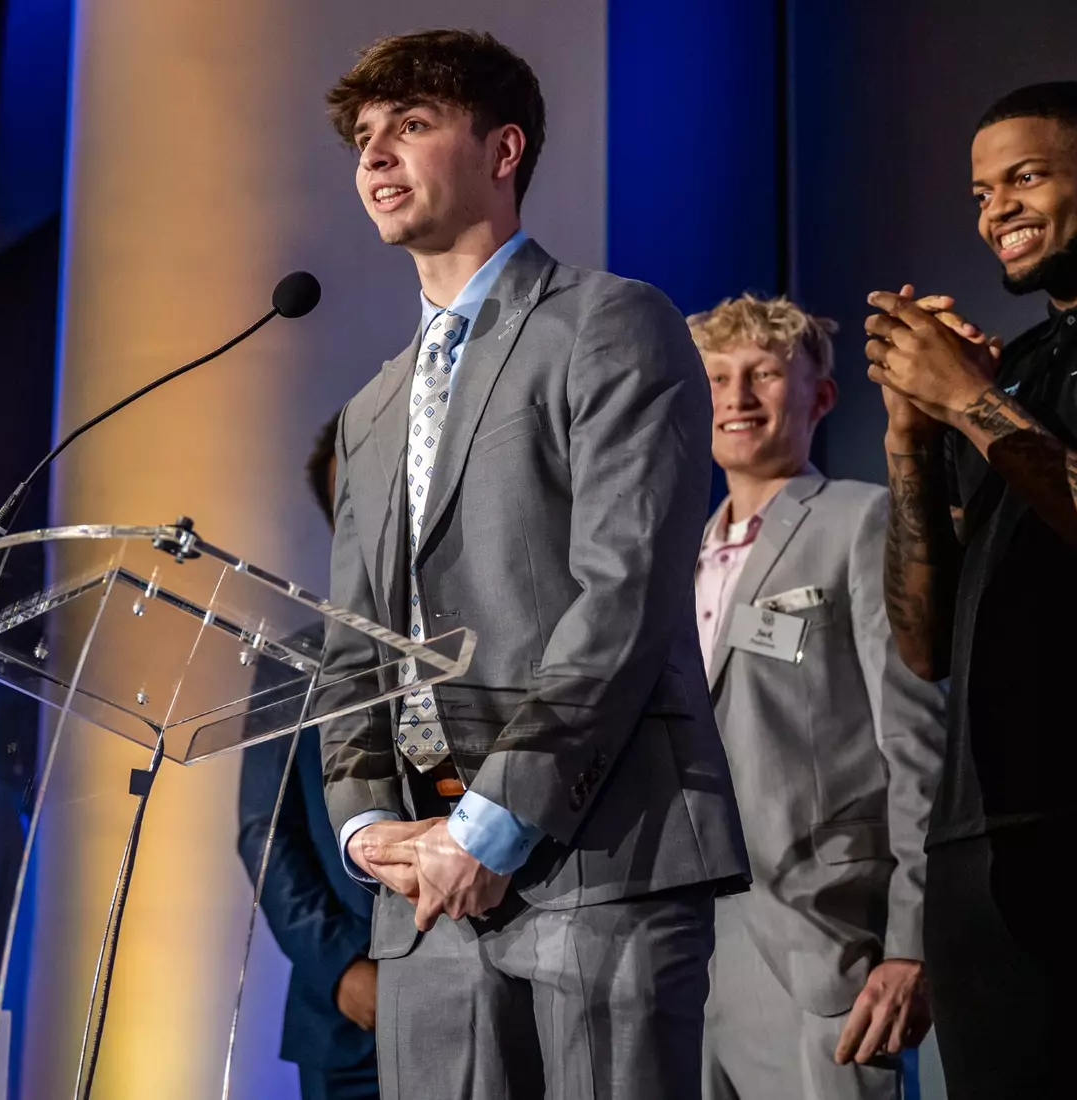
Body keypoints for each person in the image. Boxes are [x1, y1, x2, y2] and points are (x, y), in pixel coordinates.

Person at [316, 30, 747, 1099]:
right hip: (419, 889)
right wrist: (367, 824)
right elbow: (351, 647)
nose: (376, 156)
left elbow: (623, 597)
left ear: (503, 150)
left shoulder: (611, 322)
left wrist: (494, 823)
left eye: (412, 125)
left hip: (599, 857)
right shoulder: (370, 409)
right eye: (364, 137)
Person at [864, 81, 1077, 1095]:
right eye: (980, 193)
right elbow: (924, 643)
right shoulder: (1016, 371)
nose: (995, 210)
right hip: (980, 849)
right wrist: (911, 436)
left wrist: (969, 401)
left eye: (1026, 177)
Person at [690, 295, 945, 1099]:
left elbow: (916, 741)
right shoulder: (677, 556)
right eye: (718, 378)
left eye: (764, 374)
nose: (737, 396)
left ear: (820, 396)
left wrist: (912, 941)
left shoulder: (861, 520)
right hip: (689, 961)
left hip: (826, 949)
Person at [237, 413, 379, 1100]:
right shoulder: (294, 663)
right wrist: (342, 965)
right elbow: (265, 833)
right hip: (346, 1021)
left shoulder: (472, 640)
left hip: (475, 997)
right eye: (348, 497)